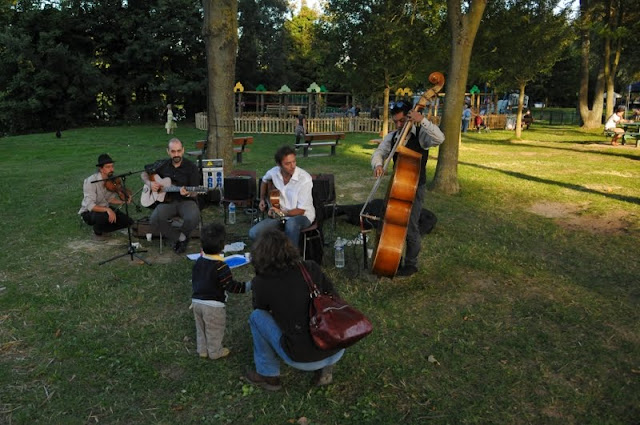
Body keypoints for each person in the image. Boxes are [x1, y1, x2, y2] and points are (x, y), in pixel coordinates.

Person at [245, 229, 345, 391]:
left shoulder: (261, 282)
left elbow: (261, 311)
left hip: (301, 358)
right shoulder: (311, 268)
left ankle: (268, 375)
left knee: (257, 318)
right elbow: (334, 297)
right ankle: (325, 368)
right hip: (336, 344)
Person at [371, 100, 445, 277]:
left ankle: (411, 264)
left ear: (410, 117)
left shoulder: (421, 134)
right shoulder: (393, 136)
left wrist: (423, 120)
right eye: (395, 121)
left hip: (415, 187)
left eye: (402, 121)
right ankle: (388, 257)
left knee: (410, 225)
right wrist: (378, 165)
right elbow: (379, 152)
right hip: (397, 186)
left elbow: (440, 138)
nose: (398, 125)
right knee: (388, 222)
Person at [191, 223, 250, 360]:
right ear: (223, 246)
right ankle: (215, 352)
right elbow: (230, 286)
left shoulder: (198, 262)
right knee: (214, 330)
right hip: (214, 306)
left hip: (196, 302)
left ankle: (202, 350)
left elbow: (194, 280)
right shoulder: (221, 266)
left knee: (201, 328)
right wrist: (247, 286)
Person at [141, 138, 201, 254]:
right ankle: (180, 238)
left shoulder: (191, 167)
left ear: (183, 150)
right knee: (154, 219)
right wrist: (150, 183)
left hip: (186, 201)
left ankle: (181, 238)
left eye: (179, 151)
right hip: (167, 202)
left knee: (193, 217)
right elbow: (144, 173)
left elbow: (195, 190)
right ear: (168, 151)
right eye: (173, 151)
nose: (176, 154)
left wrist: (188, 192)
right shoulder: (162, 165)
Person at [249, 145, 314, 248]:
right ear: (279, 164)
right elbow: (264, 180)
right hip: (280, 217)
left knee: (291, 224)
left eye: (294, 161)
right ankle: (275, 253)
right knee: (253, 233)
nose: (292, 166)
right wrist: (262, 199)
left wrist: (280, 212)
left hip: (302, 216)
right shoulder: (274, 172)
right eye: (288, 163)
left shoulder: (304, 179)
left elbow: (301, 210)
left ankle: (291, 258)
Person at [78, 154, 134, 240]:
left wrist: (123, 202)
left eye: (112, 166)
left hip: (104, 208)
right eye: (108, 167)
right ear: (101, 169)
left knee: (129, 222)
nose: (112, 169)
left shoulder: (111, 180)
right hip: (89, 212)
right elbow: (90, 206)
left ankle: (106, 228)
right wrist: (108, 210)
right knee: (103, 217)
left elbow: (110, 199)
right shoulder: (90, 181)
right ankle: (97, 231)